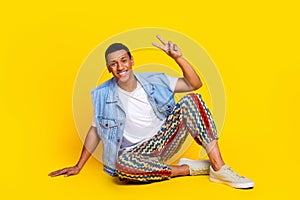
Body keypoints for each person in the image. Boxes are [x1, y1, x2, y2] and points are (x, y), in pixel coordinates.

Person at [48, 35, 254, 189]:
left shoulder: (154, 80)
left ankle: (218, 168)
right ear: (109, 68)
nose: (120, 67)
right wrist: (78, 166)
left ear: (131, 61)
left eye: (123, 60)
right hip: (136, 153)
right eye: (113, 64)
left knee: (192, 100)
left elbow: (195, 84)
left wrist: (178, 58)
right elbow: (95, 131)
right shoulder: (104, 95)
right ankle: (188, 169)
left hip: (165, 140)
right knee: (121, 169)